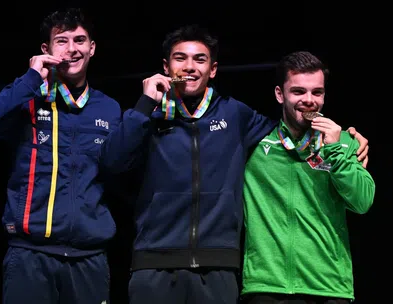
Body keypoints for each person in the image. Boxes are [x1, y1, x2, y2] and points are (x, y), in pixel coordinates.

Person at [99, 25, 369, 304]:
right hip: (153, 264)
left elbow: (292, 127)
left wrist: (348, 140)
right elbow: (112, 163)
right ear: (166, 66)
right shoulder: (147, 118)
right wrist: (144, 104)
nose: (189, 67)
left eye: (200, 59)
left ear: (213, 69)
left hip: (219, 268)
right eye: (180, 58)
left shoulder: (235, 115)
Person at [0, 8, 121, 304]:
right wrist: (29, 79)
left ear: (92, 48)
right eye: (61, 41)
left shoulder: (110, 109)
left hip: (89, 259)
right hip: (30, 256)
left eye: (79, 40)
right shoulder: (26, 96)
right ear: (46, 50)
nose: (72, 49)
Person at [241, 51, 376, 304]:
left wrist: (335, 150)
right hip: (266, 286)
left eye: (317, 92)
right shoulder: (256, 142)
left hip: (328, 286)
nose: (309, 100)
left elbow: (362, 201)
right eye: (298, 92)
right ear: (280, 94)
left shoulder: (344, 142)